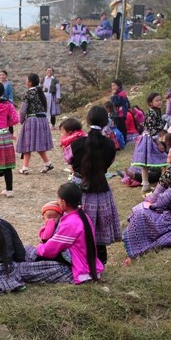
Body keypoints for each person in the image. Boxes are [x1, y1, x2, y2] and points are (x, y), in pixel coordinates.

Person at [67, 106, 121, 264]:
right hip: (101, 189)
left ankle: (78, 261)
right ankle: (100, 263)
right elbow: (108, 164)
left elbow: (68, 159)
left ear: (87, 121)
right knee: (98, 228)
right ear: (106, 122)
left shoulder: (76, 144)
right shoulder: (110, 145)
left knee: (78, 225)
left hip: (78, 189)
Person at [23, 183, 104, 285]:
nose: (57, 201)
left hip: (75, 270)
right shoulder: (83, 216)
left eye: (59, 198)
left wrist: (38, 247)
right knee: (27, 253)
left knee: (23, 266)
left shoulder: (70, 223)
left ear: (64, 202)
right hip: (87, 266)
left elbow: (49, 250)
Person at [131, 92, 169, 193]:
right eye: (157, 100)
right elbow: (151, 129)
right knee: (162, 159)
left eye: (160, 100)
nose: (160, 102)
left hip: (151, 137)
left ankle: (149, 183)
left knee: (149, 162)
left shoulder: (156, 111)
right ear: (150, 103)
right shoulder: (152, 113)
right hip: (150, 139)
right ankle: (150, 183)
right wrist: (158, 143)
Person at [16, 73, 54, 175]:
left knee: (26, 143)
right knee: (38, 144)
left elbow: (23, 110)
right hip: (42, 120)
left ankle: (25, 168)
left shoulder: (28, 93)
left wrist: (21, 120)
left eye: (26, 80)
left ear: (30, 82)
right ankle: (48, 163)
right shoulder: (40, 92)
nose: (25, 81)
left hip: (32, 119)